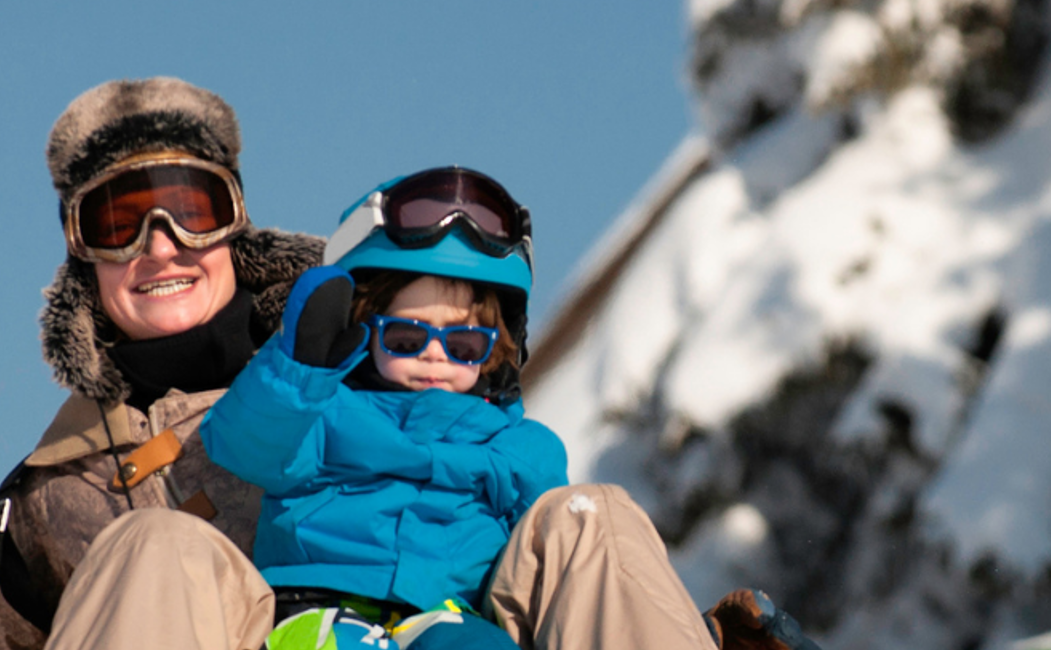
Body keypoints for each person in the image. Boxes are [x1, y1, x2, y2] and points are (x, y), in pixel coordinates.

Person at [205, 167, 822, 650]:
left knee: (568, 535)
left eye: (464, 343)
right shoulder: (324, 414)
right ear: (360, 329)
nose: (434, 358)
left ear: (495, 352)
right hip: (321, 614)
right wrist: (300, 365)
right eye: (405, 338)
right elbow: (246, 445)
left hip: (449, 618)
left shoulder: (516, 447)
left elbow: (572, 563)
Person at [0, 77, 323, 650]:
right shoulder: (45, 496)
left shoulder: (359, 375)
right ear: (82, 256)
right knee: (155, 544)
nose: (160, 247)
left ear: (234, 223)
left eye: (192, 211)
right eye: (118, 224)